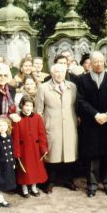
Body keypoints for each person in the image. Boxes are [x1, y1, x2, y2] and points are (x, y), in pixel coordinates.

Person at [77, 51, 107, 197]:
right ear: (90, 62)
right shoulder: (82, 79)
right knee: (92, 156)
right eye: (95, 61)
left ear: (104, 62)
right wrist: (95, 114)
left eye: (101, 61)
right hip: (91, 122)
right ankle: (92, 186)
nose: (98, 64)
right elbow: (81, 100)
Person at [35, 64, 79, 193]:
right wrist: (43, 126)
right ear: (52, 73)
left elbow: (76, 106)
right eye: (56, 72)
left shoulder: (72, 87)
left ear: (65, 72)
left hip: (70, 125)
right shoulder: (43, 87)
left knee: (69, 154)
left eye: (61, 72)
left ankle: (68, 180)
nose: (59, 74)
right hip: (52, 125)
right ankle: (50, 181)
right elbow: (39, 111)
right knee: (52, 154)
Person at [12, 95, 48, 198]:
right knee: (25, 170)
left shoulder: (37, 117)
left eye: (30, 106)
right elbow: (16, 137)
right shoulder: (17, 118)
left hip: (35, 149)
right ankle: (24, 188)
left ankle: (33, 187)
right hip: (24, 150)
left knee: (35, 169)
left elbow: (42, 134)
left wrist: (43, 148)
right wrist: (17, 153)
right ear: (21, 106)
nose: (28, 108)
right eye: (26, 105)